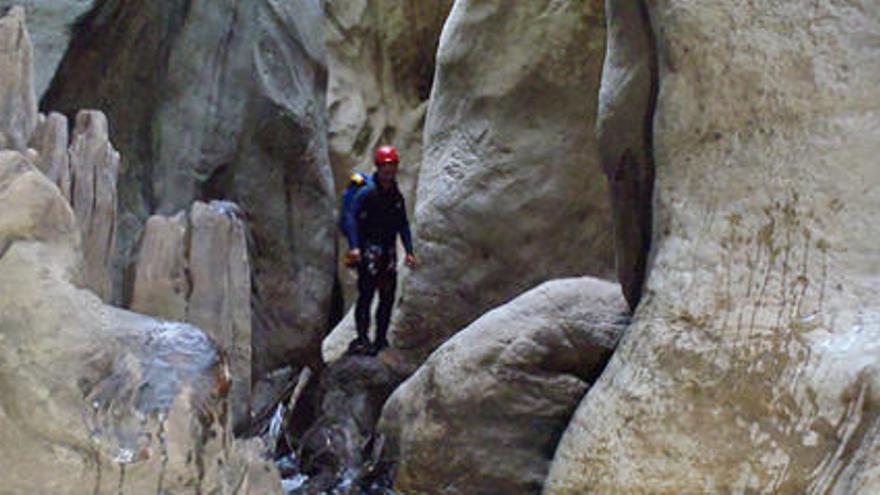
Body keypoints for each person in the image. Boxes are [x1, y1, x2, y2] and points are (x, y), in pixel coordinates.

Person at [341, 145, 416, 355]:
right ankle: (363, 337)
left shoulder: (395, 194)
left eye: (392, 165)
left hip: (388, 253)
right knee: (366, 295)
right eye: (386, 166)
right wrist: (355, 247)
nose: (389, 170)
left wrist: (409, 249)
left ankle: (381, 339)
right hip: (369, 251)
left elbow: (403, 223)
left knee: (387, 296)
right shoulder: (367, 193)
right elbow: (351, 219)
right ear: (379, 166)